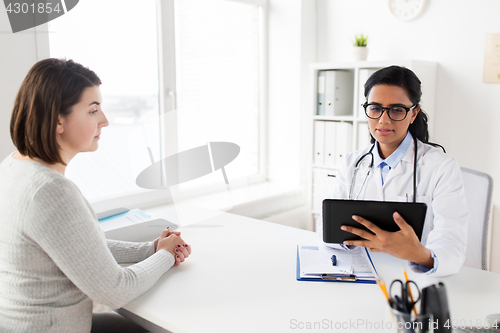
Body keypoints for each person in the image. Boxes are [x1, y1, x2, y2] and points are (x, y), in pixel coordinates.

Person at [0, 58, 192, 332]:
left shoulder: (13, 167)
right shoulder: (50, 191)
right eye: (93, 111)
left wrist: (150, 249)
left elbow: (80, 246)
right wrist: (165, 256)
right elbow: (115, 291)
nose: (105, 121)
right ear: (58, 121)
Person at [317, 65, 468, 276]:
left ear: (413, 113)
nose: (383, 120)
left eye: (397, 109)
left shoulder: (441, 167)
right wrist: (352, 239)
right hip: (361, 275)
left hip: (414, 280)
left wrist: (419, 254)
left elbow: (452, 244)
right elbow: (325, 226)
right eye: (375, 108)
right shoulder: (353, 162)